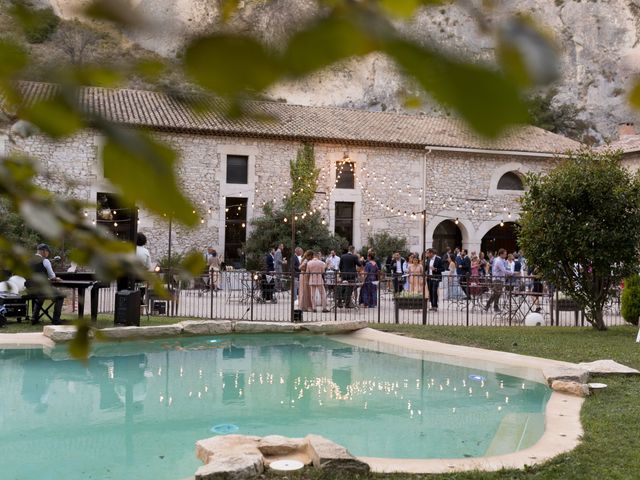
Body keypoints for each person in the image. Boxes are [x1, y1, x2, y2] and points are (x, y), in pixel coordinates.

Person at [27, 243, 63, 325]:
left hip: (30, 289)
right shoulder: (45, 261)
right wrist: (55, 278)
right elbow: (52, 276)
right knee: (60, 296)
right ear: (43, 251)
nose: (48, 253)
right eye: (47, 252)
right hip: (41, 289)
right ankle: (56, 320)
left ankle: (34, 317)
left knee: (40, 297)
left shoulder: (29, 260)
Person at [485, 248, 513, 312]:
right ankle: (490, 305)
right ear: (501, 254)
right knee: (496, 293)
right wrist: (512, 273)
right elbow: (504, 270)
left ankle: (493, 306)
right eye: (505, 254)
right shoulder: (498, 261)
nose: (506, 255)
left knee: (498, 293)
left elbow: (505, 268)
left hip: (500, 279)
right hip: (497, 279)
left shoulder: (501, 260)